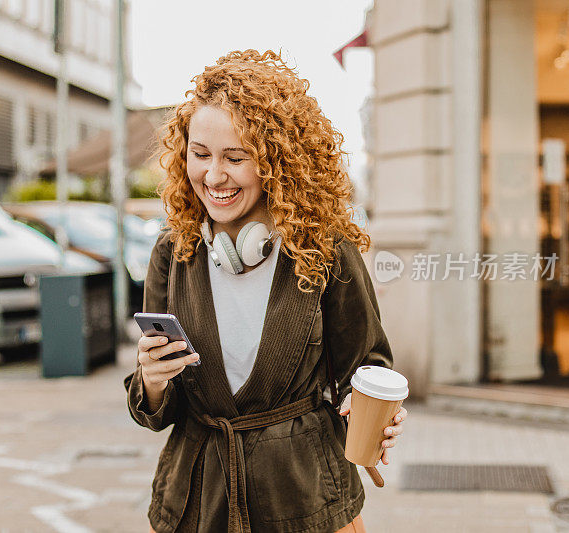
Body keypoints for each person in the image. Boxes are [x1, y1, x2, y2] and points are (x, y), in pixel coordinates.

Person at [124, 49, 407, 533]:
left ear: (278, 162)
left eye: (236, 158)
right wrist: (150, 380)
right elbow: (159, 411)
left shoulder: (326, 251)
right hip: (195, 503)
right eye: (200, 154)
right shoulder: (174, 253)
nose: (213, 177)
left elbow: (369, 365)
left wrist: (373, 411)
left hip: (306, 501)